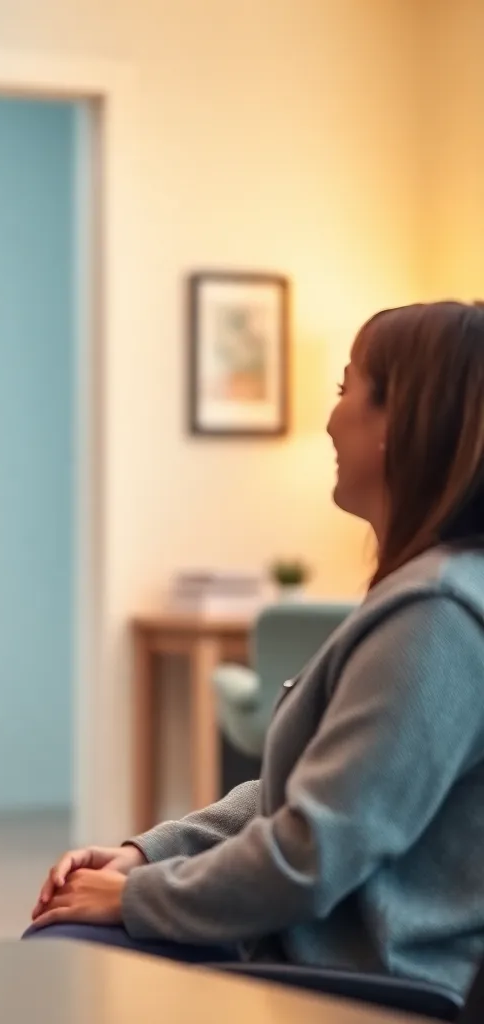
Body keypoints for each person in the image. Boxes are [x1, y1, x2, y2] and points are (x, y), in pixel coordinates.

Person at [28, 300, 484, 998]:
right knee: (72, 932)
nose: (330, 420)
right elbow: (295, 797)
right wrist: (142, 855)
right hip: (309, 943)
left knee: (70, 949)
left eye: (345, 390)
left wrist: (135, 897)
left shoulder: (435, 620)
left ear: (400, 422)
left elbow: (310, 854)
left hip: (371, 984)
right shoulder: (425, 593)